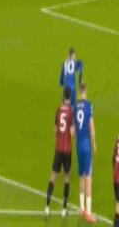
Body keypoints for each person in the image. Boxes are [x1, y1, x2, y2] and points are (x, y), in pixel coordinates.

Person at [45, 86, 74, 218]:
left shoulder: (58, 110)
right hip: (67, 150)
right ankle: (63, 209)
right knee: (67, 177)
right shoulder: (71, 112)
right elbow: (72, 133)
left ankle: (47, 207)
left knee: (53, 176)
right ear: (70, 97)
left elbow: (55, 130)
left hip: (58, 149)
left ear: (63, 96)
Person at [75, 84, 97, 223]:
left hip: (78, 145)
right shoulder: (89, 106)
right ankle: (88, 212)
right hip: (86, 146)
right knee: (88, 177)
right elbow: (91, 125)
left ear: (79, 92)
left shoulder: (75, 107)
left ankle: (81, 208)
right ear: (86, 91)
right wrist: (93, 142)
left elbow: (73, 129)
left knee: (81, 176)